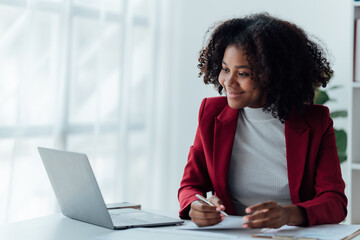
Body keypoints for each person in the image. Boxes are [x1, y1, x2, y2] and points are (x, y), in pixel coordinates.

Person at [178, 13, 347, 229]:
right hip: (232, 233)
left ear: (273, 75)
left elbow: (335, 202)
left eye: (243, 74)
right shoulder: (211, 114)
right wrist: (195, 204)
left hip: (290, 234)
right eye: (225, 69)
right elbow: (190, 185)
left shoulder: (315, 122)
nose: (228, 82)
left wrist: (288, 215)